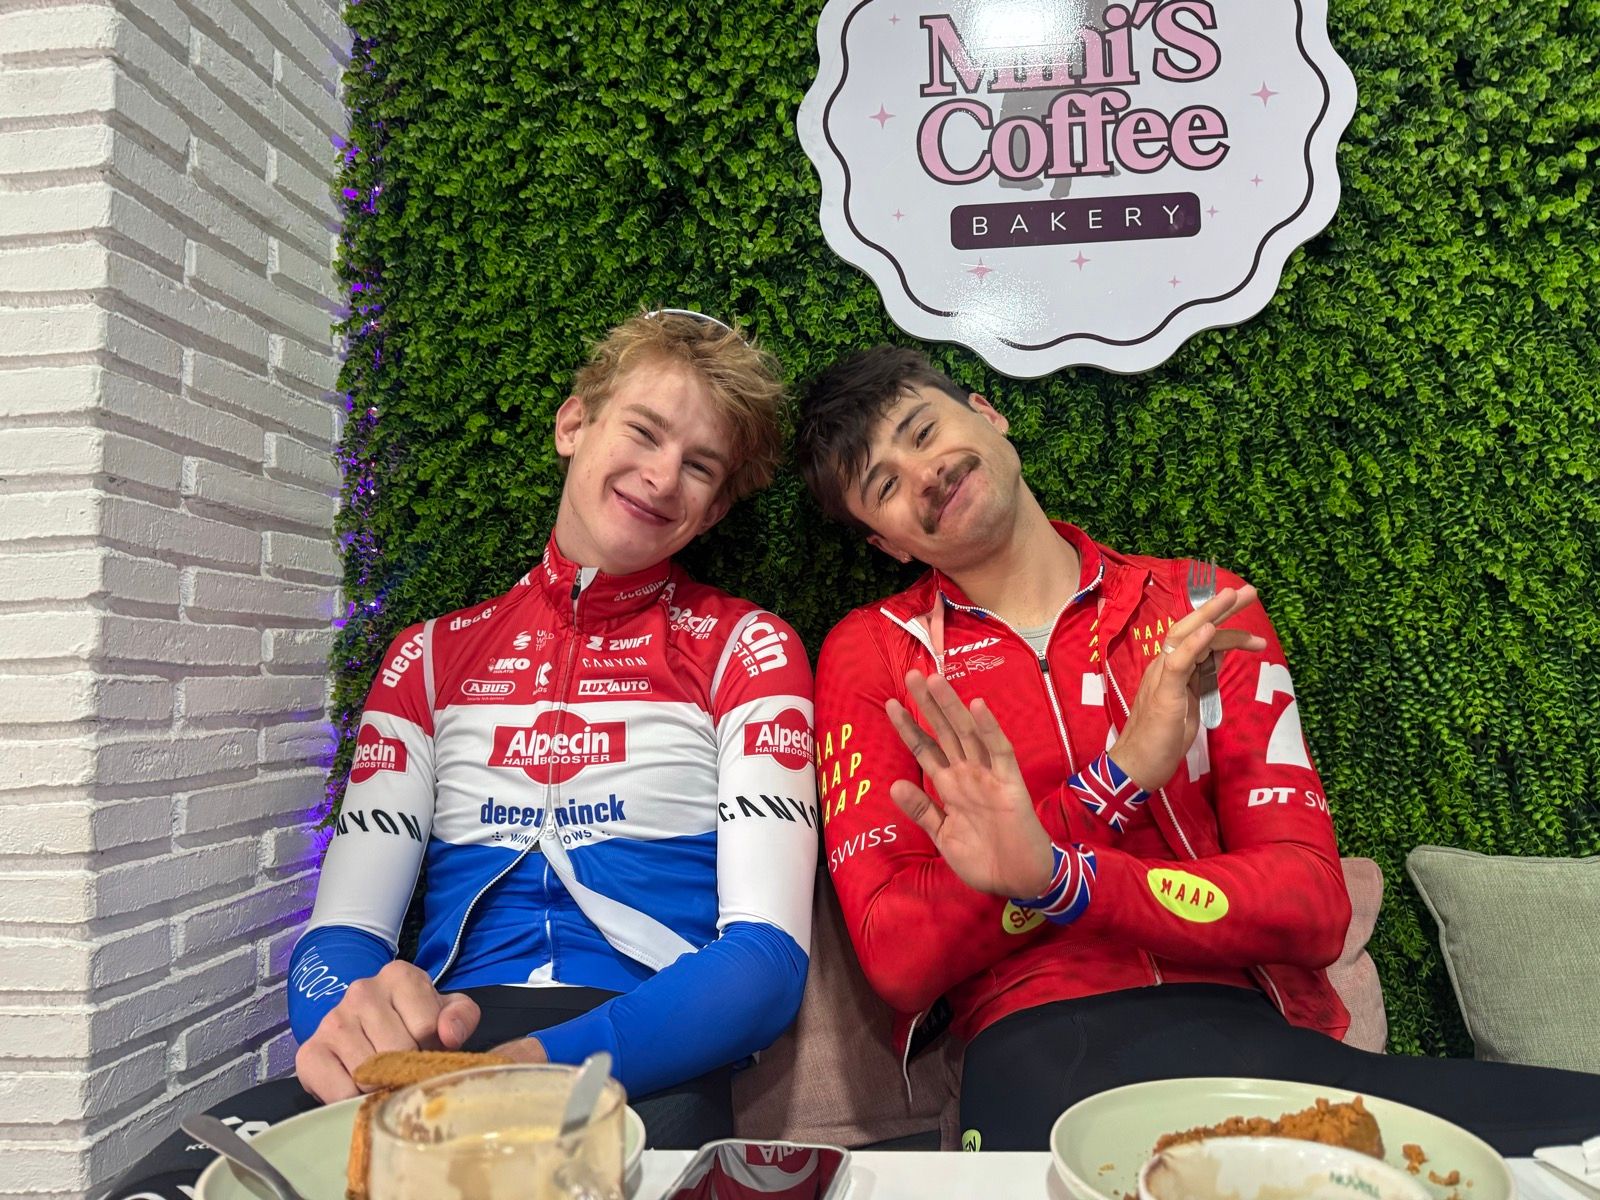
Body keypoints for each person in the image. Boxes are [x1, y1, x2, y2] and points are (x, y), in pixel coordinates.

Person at [793, 345, 1600, 1156]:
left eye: (924, 431)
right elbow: (898, 955)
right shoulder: (875, 653)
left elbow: (1312, 904)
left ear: (989, 414)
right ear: (887, 545)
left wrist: (1064, 879)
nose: (925, 474)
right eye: (885, 487)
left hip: (1256, 1035)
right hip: (1039, 1045)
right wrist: (1115, 783)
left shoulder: (1198, 606)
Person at [99, 312, 817, 1200]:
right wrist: (350, 1033)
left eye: (700, 466)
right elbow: (341, 933)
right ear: (573, 424)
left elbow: (766, 960)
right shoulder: (427, 657)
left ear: (714, 507)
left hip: (640, 1056)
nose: (663, 475)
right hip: (437, 1040)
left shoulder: (749, 648)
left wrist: (528, 1068)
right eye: (643, 430)